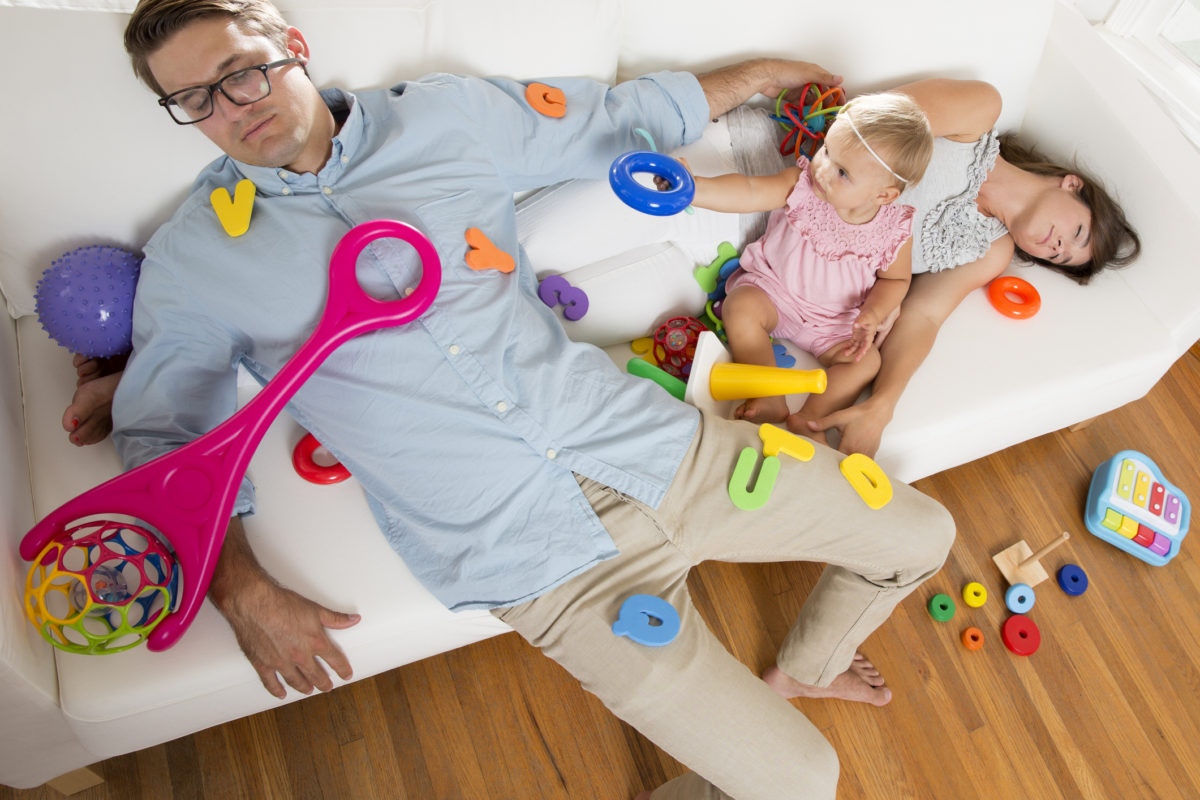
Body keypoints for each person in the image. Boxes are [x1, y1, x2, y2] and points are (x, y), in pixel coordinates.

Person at [66, 2, 959, 797]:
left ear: (291, 45)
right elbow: (165, 441)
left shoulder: (444, 118)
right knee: (803, 781)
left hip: (658, 449)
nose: (231, 106)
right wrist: (245, 592)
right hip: (537, 563)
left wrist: (764, 75)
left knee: (922, 536)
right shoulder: (196, 260)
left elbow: (618, 119)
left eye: (240, 70)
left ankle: (808, 667)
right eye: (195, 100)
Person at [799, 78, 1141, 456]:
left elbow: (924, 316)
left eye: (1060, 257)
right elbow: (866, 123)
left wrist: (883, 406)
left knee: (858, 370)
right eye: (1077, 232)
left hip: (805, 278)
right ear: (1071, 184)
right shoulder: (977, 115)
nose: (1059, 246)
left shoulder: (992, 250)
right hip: (791, 184)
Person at [686, 92, 933, 444]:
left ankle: (811, 419)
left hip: (833, 323)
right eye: (827, 150)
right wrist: (697, 189)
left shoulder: (892, 230)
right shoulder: (801, 187)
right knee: (740, 307)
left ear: (883, 196)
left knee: (867, 364)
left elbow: (895, 279)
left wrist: (873, 314)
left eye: (843, 172)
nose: (822, 168)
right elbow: (749, 190)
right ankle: (768, 393)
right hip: (773, 292)